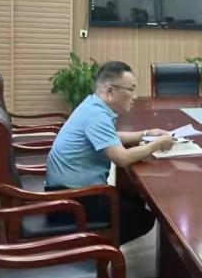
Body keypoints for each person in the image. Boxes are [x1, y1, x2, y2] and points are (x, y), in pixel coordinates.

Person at [45, 61, 175, 244]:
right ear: (110, 90)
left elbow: (110, 137)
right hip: (70, 203)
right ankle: (92, 249)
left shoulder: (93, 105)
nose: (135, 96)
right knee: (143, 218)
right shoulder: (96, 115)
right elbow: (122, 158)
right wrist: (157, 144)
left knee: (135, 201)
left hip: (68, 193)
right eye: (131, 89)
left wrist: (146, 134)